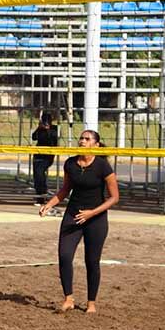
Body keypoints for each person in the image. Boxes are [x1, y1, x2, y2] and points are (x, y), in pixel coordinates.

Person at [39, 130, 119, 314]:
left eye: (87, 139)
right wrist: (49, 205)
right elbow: (65, 190)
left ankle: (91, 303)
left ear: (96, 145)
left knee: (92, 261)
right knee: (64, 256)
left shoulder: (102, 166)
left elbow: (114, 198)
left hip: (95, 218)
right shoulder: (70, 163)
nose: (82, 141)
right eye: (81, 138)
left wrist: (91, 213)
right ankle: (68, 299)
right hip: (73, 215)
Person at [32, 111, 58, 205]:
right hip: (38, 154)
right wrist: (39, 128)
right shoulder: (40, 129)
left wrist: (48, 129)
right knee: (37, 175)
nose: (46, 122)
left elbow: (53, 140)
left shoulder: (55, 128)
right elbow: (34, 137)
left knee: (40, 173)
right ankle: (39, 194)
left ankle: (42, 195)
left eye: (47, 121)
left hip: (48, 155)